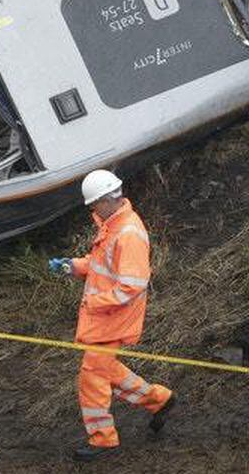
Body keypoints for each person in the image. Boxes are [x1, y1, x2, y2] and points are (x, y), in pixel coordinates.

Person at [49, 169, 176, 461]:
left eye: (94, 205)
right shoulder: (113, 225)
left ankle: (102, 439)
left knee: (92, 376)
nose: (92, 210)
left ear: (107, 200)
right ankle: (160, 399)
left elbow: (131, 286)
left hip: (113, 317)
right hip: (105, 315)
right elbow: (100, 263)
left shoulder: (128, 233)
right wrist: (73, 266)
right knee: (106, 370)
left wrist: (95, 302)